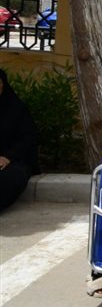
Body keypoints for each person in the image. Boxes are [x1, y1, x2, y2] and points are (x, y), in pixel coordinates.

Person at [0, 69, 38, 213]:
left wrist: (7, 157)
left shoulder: (16, 108)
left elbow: (28, 137)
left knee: (10, 177)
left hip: (14, 160)